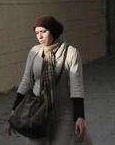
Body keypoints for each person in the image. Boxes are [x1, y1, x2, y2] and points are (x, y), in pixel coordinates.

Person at [8, 15, 89, 144]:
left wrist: (80, 117)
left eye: (43, 32)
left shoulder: (71, 53)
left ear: (53, 31)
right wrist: (14, 112)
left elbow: (76, 88)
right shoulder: (34, 52)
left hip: (63, 113)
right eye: (37, 33)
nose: (40, 36)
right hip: (37, 112)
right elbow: (26, 83)